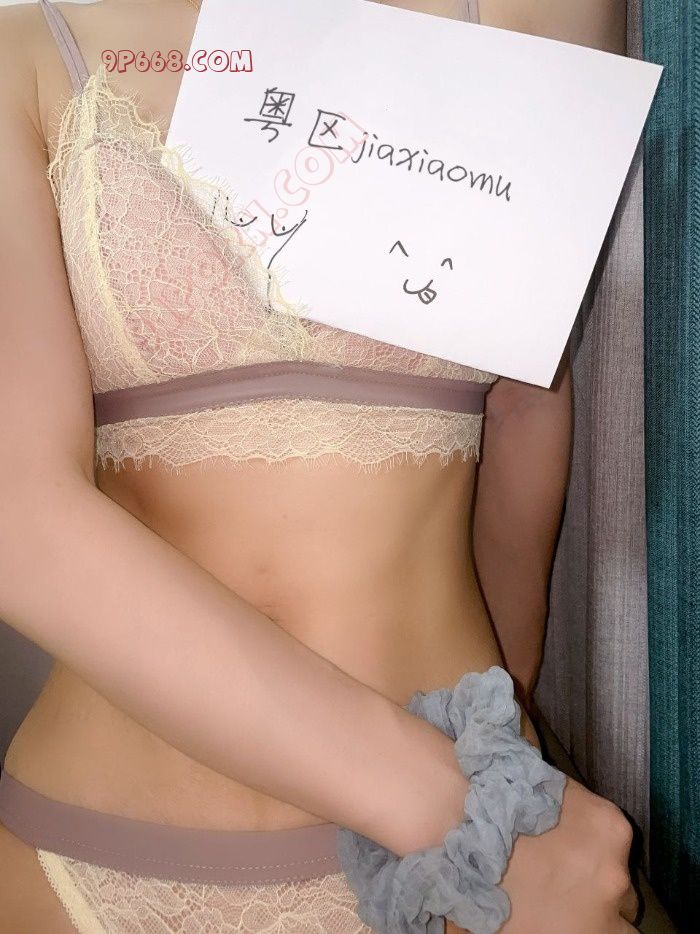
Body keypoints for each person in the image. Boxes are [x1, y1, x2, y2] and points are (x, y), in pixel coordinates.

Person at [0, 1, 636, 931]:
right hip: (93, 852)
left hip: (473, 857)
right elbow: (19, 513)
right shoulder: (23, 47)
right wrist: (462, 816)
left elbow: (528, 399)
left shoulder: (529, 10)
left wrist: (505, 768)